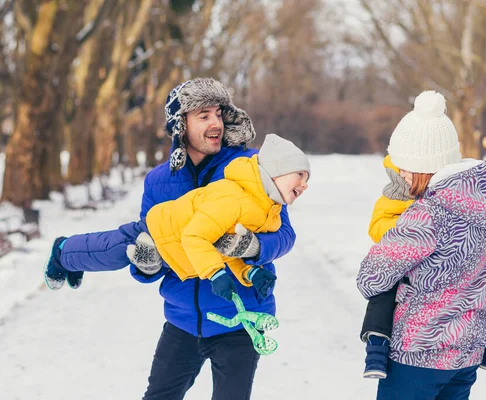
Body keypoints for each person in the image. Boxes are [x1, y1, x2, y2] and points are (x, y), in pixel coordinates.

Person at [43, 78, 297, 400]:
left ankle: (66, 253)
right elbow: (150, 244)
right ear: (181, 125)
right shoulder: (160, 180)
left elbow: (285, 233)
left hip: (240, 319)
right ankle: (66, 253)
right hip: (182, 319)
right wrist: (147, 266)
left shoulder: (250, 168)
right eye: (203, 115)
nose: (215, 122)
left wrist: (256, 248)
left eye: (218, 114)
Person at [357, 90, 486, 399]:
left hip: (420, 351)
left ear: (420, 166)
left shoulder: (426, 215)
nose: (400, 174)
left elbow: (371, 278)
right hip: (467, 352)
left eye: (403, 167)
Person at [360, 154, 486, 379]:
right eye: (400, 172)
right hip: (406, 256)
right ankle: (376, 346)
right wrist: (404, 229)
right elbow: (377, 232)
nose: (404, 176)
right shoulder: (397, 199)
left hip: (428, 348)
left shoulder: (436, 198)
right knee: (383, 293)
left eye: (407, 170)